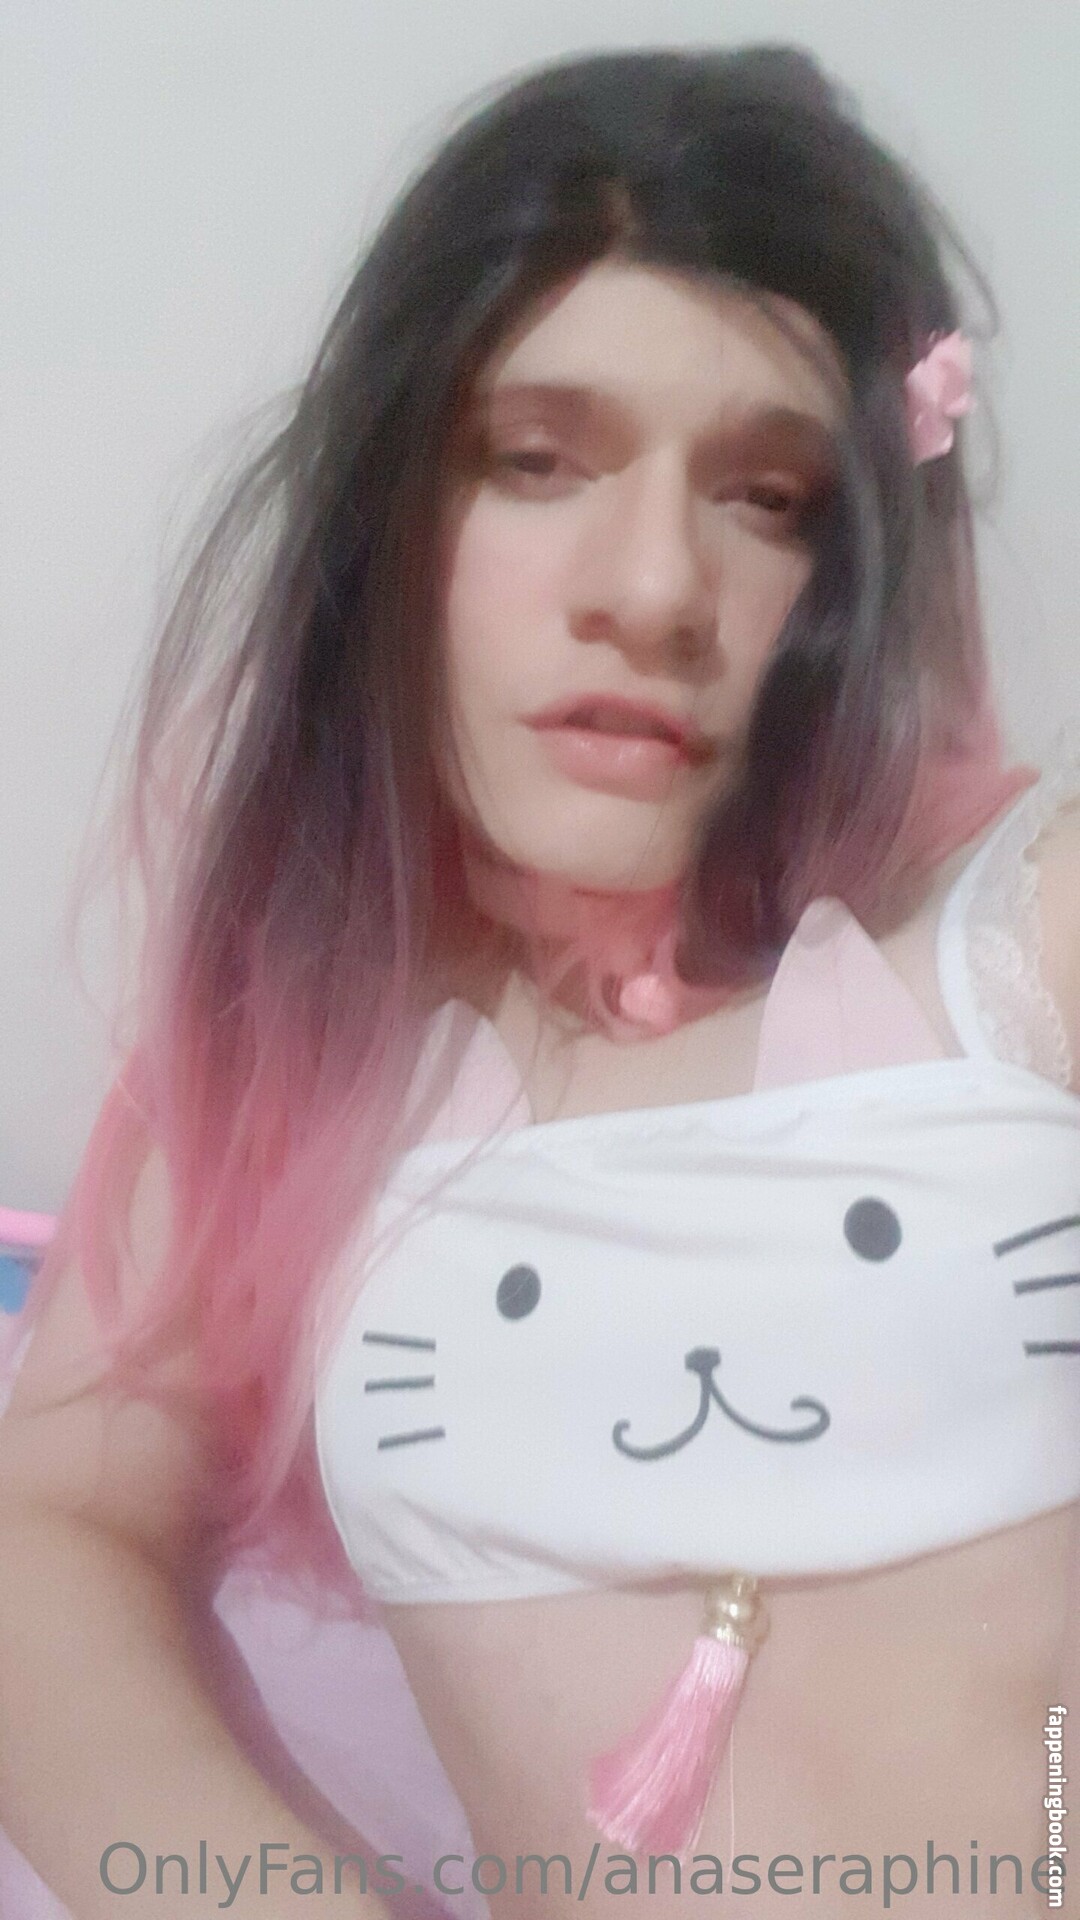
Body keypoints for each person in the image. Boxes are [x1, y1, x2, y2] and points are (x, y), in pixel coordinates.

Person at [0, 42, 1077, 1920]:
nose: (651, 586)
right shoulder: (307, 1048)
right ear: (391, 510)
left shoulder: (1020, 924)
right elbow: (48, 1532)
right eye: (535, 460)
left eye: (769, 496)